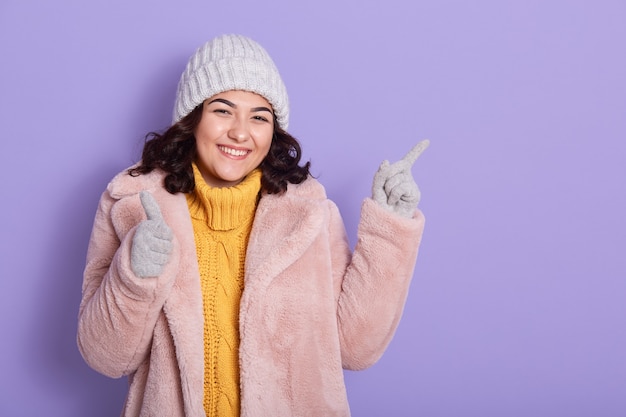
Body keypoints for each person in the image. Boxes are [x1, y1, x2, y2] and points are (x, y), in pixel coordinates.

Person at [77, 34, 428, 417]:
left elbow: (355, 347)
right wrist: (134, 275)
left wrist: (390, 227)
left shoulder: (308, 214)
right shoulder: (133, 205)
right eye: (223, 110)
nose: (241, 132)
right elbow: (105, 358)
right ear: (192, 118)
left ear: (273, 131)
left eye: (259, 117)